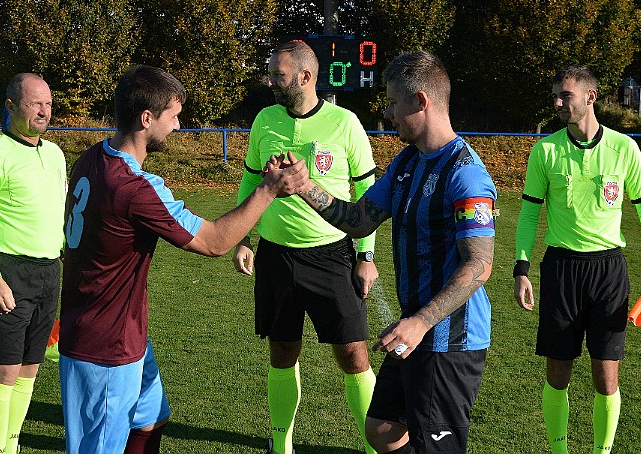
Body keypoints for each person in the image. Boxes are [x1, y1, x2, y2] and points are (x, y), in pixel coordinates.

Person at [58, 64, 307, 454]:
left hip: (118, 330)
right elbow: (214, 242)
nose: (178, 126)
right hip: (104, 346)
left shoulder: (90, 159)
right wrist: (269, 189)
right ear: (146, 119)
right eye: (173, 116)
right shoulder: (135, 186)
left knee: (152, 417)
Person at [276, 50, 496, 454]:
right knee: (381, 429)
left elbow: (480, 264)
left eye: (394, 102)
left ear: (421, 102)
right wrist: (303, 187)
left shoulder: (465, 174)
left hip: (449, 339)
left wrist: (420, 322)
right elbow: (359, 219)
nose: (389, 112)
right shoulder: (408, 162)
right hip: (415, 331)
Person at [231, 40, 380, 454]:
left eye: (278, 75)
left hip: (331, 254)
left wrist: (366, 255)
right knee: (282, 351)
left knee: (353, 355)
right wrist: (243, 236)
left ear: (305, 77)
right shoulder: (264, 120)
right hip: (276, 254)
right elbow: (249, 180)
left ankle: (373, 447)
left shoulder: (345, 123)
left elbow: (367, 194)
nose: (270, 81)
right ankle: (282, 446)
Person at [513, 65, 641, 454]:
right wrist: (521, 268)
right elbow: (529, 213)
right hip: (561, 269)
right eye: (556, 95)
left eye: (565, 95)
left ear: (590, 97)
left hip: (608, 272)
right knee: (558, 374)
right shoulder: (545, 150)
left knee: (606, 377)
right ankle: (560, 451)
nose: (558, 102)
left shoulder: (624, 148)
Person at [0, 73, 65, 454]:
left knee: (29, 369)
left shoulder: (55, 153)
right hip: (8, 271)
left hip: (49, 271)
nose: (44, 111)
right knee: (5, 370)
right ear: (11, 106)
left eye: (49, 104)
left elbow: (58, 212)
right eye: (35, 103)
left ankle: (12, 446)